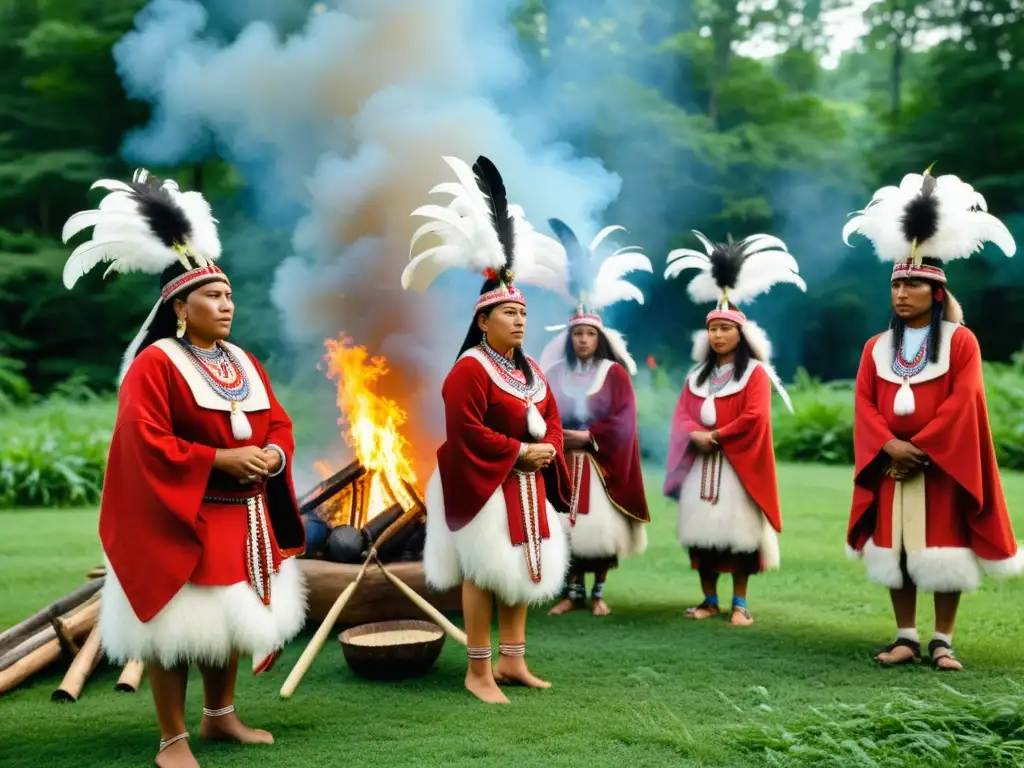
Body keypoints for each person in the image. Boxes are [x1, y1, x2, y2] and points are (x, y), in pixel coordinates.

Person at [61, 169, 307, 767]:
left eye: (228, 295)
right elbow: (142, 442)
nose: (226, 305)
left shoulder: (242, 361)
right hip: (182, 516)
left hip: (240, 519)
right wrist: (219, 458)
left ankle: (220, 718)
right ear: (179, 305)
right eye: (213, 297)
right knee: (176, 628)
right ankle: (172, 738)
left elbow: (276, 420)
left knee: (225, 621)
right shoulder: (156, 366)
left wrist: (273, 453)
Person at [401, 155, 573, 704]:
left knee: (521, 567)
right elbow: (465, 431)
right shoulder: (469, 369)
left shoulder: (528, 369)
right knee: (483, 571)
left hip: (524, 483)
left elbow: (551, 418)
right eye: (509, 314)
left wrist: (547, 448)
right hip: (483, 484)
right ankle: (477, 671)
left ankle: (513, 661)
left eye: (524, 314)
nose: (520, 321)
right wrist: (519, 452)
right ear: (483, 320)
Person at [842, 167, 1023, 670]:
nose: (902, 294)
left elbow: (963, 400)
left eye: (915, 285)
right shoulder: (875, 348)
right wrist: (888, 447)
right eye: (897, 285)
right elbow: (864, 403)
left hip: (939, 464)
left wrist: (917, 449)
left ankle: (942, 639)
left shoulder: (960, 341)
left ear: (936, 293)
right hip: (890, 464)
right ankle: (905, 636)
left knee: (942, 548)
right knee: (896, 548)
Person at [662, 230, 805, 626]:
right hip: (701, 466)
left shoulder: (755, 374)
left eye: (726, 328)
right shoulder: (698, 376)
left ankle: (740, 604)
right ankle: (709, 599)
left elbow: (755, 417)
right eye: (713, 329)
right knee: (701, 534)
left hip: (736, 465)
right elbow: (683, 413)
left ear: (740, 333)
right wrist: (694, 434)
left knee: (741, 537)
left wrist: (717, 437)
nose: (718, 335)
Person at [538, 218, 652, 617]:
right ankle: (572, 591)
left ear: (598, 338)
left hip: (600, 463)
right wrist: (559, 436)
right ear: (569, 338)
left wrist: (588, 438)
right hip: (566, 462)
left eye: (588, 335)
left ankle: (599, 590)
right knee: (567, 527)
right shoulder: (554, 375)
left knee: (599, 532)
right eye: (576, 334)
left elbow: (624, 420)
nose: (582, 340)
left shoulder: (615, 374)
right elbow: (542, 413)